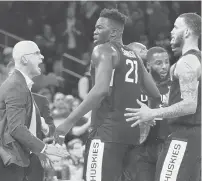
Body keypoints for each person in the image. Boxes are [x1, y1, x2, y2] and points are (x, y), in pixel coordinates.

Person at [56, 8, 161, 181]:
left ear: (113, 32)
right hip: (132, 137)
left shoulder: (103, 50)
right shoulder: (134, 56)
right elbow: (155, 93)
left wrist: (68, 122)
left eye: (99, 28)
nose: (94, 31)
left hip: (105, 133)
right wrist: (148, 117)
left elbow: (100, 90)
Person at [125, 13, 201, 181]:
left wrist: (152, 113)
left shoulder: (187, 62)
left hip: (184, 136)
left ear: (187, 32)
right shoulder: (196, 60)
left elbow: (189, 105)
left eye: (176, 27)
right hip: (192, 136)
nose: (172, 31)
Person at [0, 41, 67, 181]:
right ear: (24, 59)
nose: (42, 57)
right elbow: (16, 128)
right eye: (37, 53)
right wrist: (45, 149)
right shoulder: (16, 85)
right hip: (8, 161)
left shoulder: (22, 85)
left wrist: (44, 134)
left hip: (17, 160)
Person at [126, 45, 171, 181]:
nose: (164, 66)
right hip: (142, 148)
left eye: (167, 62)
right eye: (159, 63)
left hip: (166, 144)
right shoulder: (136, 86)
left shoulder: (175, 86)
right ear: (148, 65)